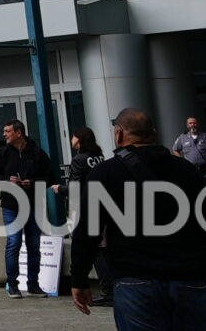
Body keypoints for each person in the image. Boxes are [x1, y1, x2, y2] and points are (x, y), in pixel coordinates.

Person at [68, 107, 206, 329]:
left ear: (119, 134)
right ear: (153, 134)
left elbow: (87, 232)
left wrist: (79, 279)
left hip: (135, 280)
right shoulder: (188, 171)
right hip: (190, 277)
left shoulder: (105, 174)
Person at [0, 119, 56, 298]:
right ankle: (12, 284)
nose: (4, 134)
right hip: (11, 205)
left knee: (34, 245)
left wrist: (32, 182)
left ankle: (33, 284)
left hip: (33, 204)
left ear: (19, 133)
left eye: (7, 131)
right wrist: (7, 180)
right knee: (14, 243)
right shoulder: (2, 153)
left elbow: (50, 177)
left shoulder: (37, 153)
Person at [68, 127, 112, 307]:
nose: (71, 139)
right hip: (103, 206)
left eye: (73, 136)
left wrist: (60, 189)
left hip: (86, 208)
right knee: (103, 248)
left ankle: (108, 289)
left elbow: (75, 188)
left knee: (95, 249)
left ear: (79, 140)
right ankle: (110, 288)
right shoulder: (98, 157)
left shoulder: (79, 159)